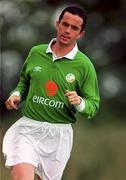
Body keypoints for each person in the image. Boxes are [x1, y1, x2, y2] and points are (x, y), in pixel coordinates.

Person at [2, 5, 100, 180]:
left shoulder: (85, 65)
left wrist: (80, 102)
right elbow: (24, 83)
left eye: (74, 28)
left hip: (59, 136)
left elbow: (93, 106)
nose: (67, 30)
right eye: (65, 24)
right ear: (57, 24)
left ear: (81, 34)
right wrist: (15, 95)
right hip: (28, 129)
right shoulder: (36, 52)